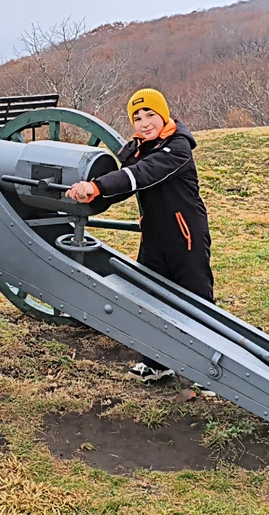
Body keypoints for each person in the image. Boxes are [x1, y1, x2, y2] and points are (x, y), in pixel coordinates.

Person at [67, 88, 215, 384]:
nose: (144, 122)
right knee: (149, 297)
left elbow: (142, 174)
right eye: (137, 117)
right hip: (154, 235)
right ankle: (156, 361)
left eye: (150, 115)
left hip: (185, 233)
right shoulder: (138, 149)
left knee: (196, 297)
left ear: (163, 115)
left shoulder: (178, 148)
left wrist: (96, 186)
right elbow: (126, 184)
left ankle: (204, 367)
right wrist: (87, 191)